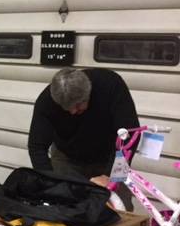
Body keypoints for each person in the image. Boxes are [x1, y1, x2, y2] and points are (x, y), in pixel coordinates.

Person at [27, 67, 139, 209]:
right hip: (66, 158)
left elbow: (131, 134)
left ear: (89, 92)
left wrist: (110, 175)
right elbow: (36, 147)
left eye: (78, 106)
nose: (73, 111)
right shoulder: (46, 102)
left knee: (121, 210)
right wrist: (51, 182)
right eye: (66, 108)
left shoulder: (110, 84)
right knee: (66, 208)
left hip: (110, 156)